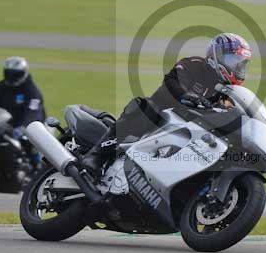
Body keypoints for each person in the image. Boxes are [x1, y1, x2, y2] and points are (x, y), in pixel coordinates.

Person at [79, 33, 253, 181]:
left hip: (191, 133)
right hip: (162, 119)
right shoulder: (193, 64)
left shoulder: (229, 92)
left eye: (241, 64)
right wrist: (186, 96)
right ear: (217, 56)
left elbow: (232, 112)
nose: (237, 67)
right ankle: (97, 154)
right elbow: (172, 80)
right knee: (144, 106)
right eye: (233, 61)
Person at [0, 56, 46, 137]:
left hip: (32, 128)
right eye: (8, 74)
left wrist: (22, 128)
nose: (11, 78)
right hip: (7, 125)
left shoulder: (32, 91)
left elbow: (32, 114)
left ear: (24, 73)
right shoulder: (1, 86)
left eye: (15, 74)